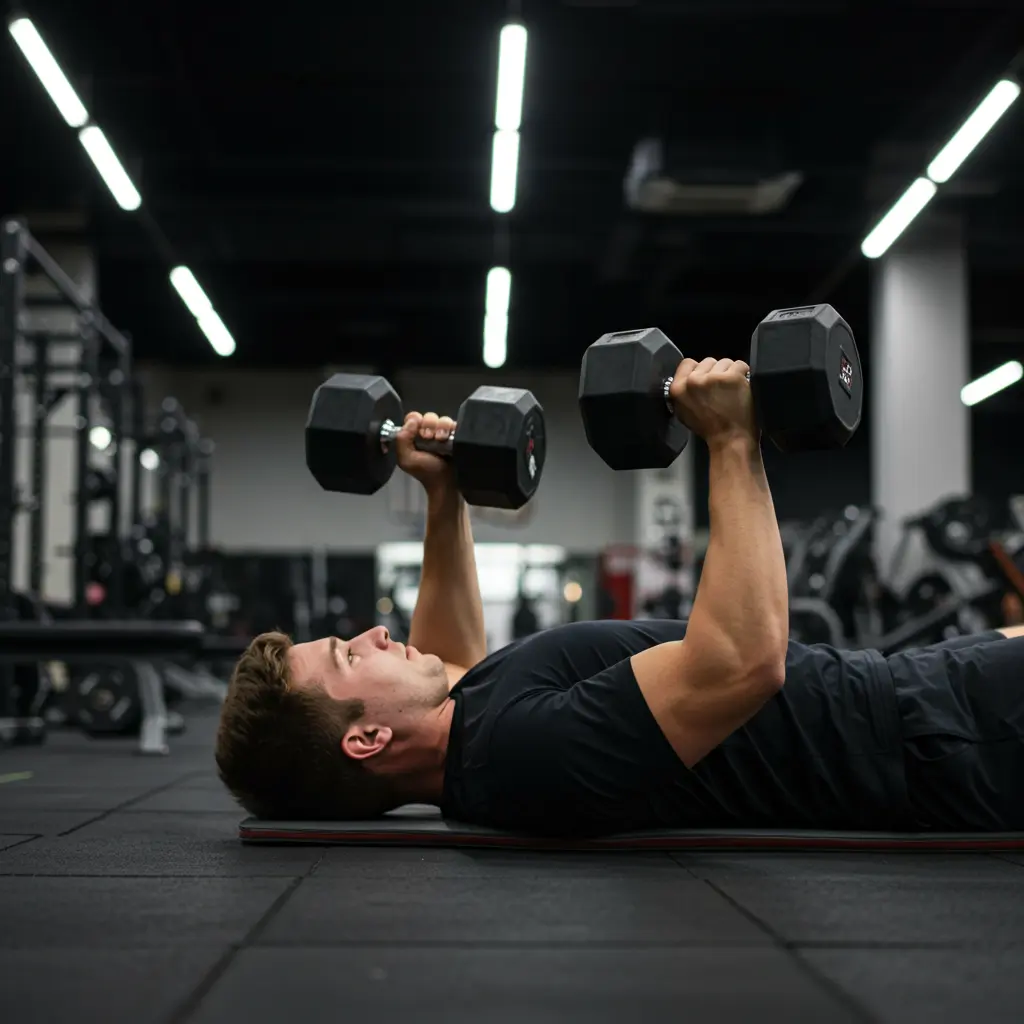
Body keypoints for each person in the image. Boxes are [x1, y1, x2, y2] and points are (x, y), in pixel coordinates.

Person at [216, 359, 1024, 835]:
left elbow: (453, 653)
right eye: (350, 656)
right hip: (947, 739)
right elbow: (743, 665)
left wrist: (443, 498)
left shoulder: (473, 741)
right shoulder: (527, 753)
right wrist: (732, 442)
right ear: (364, 742)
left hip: (931, 694)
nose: (376, 632)